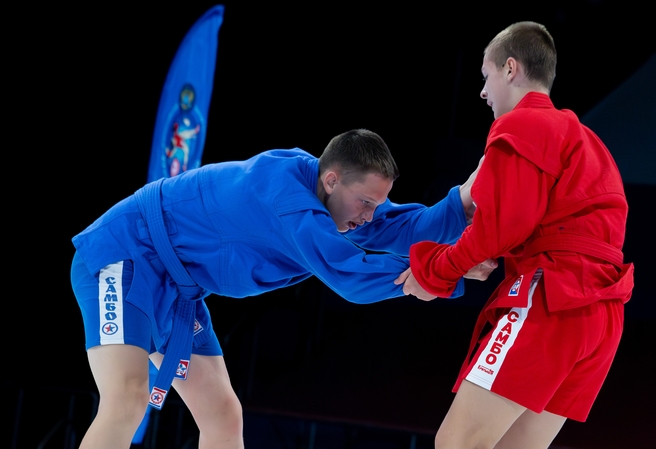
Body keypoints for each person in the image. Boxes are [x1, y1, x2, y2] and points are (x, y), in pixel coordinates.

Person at [71, 128, 484, 449]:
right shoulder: (287, 199)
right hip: (126, 252)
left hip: (175, 287)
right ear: (332, 180)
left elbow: (395, 226)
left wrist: (461, 203)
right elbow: (347, 274)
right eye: (365, 203)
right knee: (127, 396)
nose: (370, 216)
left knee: (223, 415)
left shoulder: (327, 193)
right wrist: (448, 268)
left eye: (376, 204)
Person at [397, 22, 635, 448]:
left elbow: (501, 227)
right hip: (602, 316)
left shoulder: (522, 124)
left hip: (554, 300)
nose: (483, 92)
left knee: (456, 443)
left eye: (486, 76)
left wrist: (435, 273)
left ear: (510, 68)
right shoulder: (591, 143)